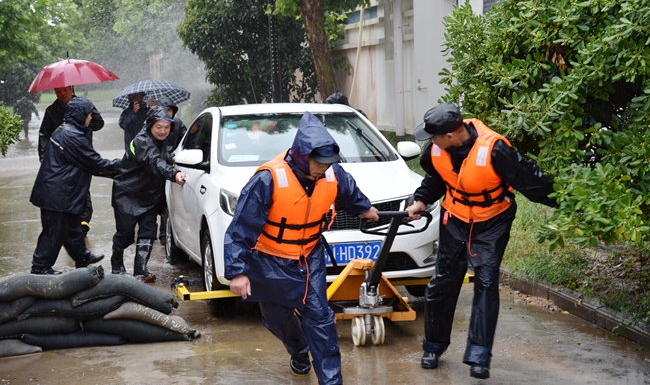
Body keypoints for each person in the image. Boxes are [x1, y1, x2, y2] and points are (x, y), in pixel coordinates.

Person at [224, 112, 379, 385]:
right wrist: (238, 271)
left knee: (320, 320)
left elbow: (349, 193)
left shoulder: (332, 174)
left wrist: (365, 209)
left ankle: (331, 381)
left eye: (328, 163)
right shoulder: (267, 179)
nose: (323, 168)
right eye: (319, 162)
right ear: (302, 155)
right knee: (277, 320)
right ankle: (298, 350)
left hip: (309, 258)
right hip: (269, 261)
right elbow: (241, 227)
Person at [406, 103, 557, 379]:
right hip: (455, 218)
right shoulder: (436, 149)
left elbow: (531, 181)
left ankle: (479, 355)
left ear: (450, 135)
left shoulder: (494, 150)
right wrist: (421, 200)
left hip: (492, 221)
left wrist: (569, 202)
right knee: (442, 282)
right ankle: (433, 346)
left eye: (433, 137)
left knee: (486, 284)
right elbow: (436, 179)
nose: (430, 142)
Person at [29, 97, 120, 275]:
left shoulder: (65, 130)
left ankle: (82, 256)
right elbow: (95, 164)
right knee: (54, 232)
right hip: (58, 194)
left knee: (72, 228)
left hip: (59, 192)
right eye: (89, 114)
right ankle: (40, 267)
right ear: (80, 115)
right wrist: (125, 166)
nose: (91, 118)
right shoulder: (72, 136)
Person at [111, 106, 187, 282]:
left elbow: (163, 157)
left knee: (148, 231)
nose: (163, 131)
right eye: (159, 127)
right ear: (150, 125)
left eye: (166, 127)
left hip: (150, 195)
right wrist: (174, 173)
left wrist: (172, 158)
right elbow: (154, 161)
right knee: (125, 235)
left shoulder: (165, 141)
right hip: (128, 193)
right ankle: (116, 261)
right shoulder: (141, 141)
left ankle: (141, 270)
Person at [38, 85, 104, 240]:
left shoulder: (84, 105)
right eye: (58, 90)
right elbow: (44, 134)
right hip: (60, 158)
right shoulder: (52, 111)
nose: (62, 93)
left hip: (81, 153)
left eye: (65, 89)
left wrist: (83, 121)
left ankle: (83, 220)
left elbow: (99, 123)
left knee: (82, 186)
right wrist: (43, 155)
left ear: (72, 89)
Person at [155, 95, 187, 244]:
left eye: (169, 110)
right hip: (156, 169)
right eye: (164, 110)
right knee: (156, 202)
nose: (167, 113)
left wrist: (178, 155)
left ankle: (164, 233)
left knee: (168, 201)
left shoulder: (178, 124)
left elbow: (187, 141)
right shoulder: (152, 125)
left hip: (173, 169)